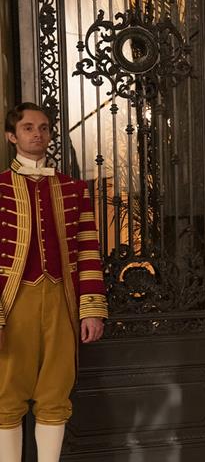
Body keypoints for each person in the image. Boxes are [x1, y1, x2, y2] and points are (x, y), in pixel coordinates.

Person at [0, 102, 107, 461]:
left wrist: (91, 309)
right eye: (28, 128)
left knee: (55, 394)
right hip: (12, 303)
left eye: (43, 127)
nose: (37, 134)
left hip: (61, 300)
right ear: (11, 136)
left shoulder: (74, 189)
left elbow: (88, 251)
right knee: (5, 396)